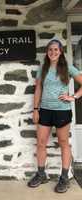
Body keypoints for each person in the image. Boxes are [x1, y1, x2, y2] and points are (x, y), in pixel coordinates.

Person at [27, 39, 82, 193]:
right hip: (44, 110)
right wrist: (36, 109)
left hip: (62, 111)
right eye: (50, 49)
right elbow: (38, 89)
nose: (53, 52)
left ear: (61, 51)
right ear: (47, 52)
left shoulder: (68, 68)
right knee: (41, 142)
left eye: (56, 50)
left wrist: (74, 97)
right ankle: (41, 174)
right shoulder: (43, 68)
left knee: (63, 142)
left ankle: (64, 178)